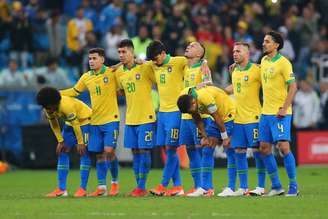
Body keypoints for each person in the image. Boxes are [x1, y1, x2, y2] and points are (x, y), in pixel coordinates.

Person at [61, 48, 120, 196]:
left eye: (94, 58)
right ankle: (102, 188)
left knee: (109, 152)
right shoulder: (86, 77)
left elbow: (124, 75)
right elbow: (75, 91)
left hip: (111, 119)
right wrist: (58, 93)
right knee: (99, 155)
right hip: (95, 121)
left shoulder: (112, 73)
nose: (91, 61)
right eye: (90, 59)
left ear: (102, 59)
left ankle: (114, 182)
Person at [177, 86, 236, 197]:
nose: (191, 112)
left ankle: (231, 187)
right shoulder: (191, 105)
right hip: (216, 119)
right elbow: (197, 119)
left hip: (228, 115)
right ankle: (205, 188)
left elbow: (217, 116)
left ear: (194, 103)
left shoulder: (204, 97)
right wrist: (205, 136)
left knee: (229, 148)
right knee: (206, 149)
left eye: (191, 110)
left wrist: (225, 137)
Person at [115, 39, 156, 197]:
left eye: (124, 52)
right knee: (135, 151)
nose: (121, 55)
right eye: (119, 52)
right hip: (130, 117)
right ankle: (138, 185)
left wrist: (144, 62)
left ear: (132, 52)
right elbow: (121, 91)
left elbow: (158, 73)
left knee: (144, 150)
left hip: (146, 116)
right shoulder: (119, 72)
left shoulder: (144, 67)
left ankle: (141, 186)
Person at [259, 31, 298, 196]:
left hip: (280, 113)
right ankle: (276, 186)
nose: (264, 44)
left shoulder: (284, 63)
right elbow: (259, 71)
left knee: (283, 147)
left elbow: (293, 87)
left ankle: (293, 186)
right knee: (264, 148)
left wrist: (284, 108)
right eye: (264, 41)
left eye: (267, 41)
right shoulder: (264, 60)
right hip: (265, 113)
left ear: (276, 45)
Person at [146, 40, 187, 196]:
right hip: (162, 113)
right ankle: (178, 186)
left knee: (171, 148)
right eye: (153, 60)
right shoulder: (154, 65)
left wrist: (203, 63)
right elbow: (142, 63)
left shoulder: (178, 62)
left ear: (163, 53)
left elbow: (195, 60)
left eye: (156, 58)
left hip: (176, 112)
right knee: (166, 148)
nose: (154, 62)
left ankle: (163, 185)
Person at [225, 42, 266, 196]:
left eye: (238, 51)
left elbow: (268, 86)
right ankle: (243, 187)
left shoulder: (257, 70)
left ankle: (261, 187)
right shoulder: (234, 71)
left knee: (257, 151)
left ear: (247, 54)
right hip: (238, 119)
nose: (235, 54)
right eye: (234, 51)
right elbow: (235, 88)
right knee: (239, 151)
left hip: (254, 117)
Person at [36, 87, 91, 198]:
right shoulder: (48, 107)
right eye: (44, 107)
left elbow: (76, 124)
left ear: (54, 103)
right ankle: (62, 190)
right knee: (62, 151)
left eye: (48, 107)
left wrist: (80, 142)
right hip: (71, 123)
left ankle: (82, 189)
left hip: (86, 121)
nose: (46, 110)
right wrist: (60, 141)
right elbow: (54, 124)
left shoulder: (66, 105)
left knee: (83, 152)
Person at [178, 41, 214, 196]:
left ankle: (208, 187)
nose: (188, 47)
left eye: (193, 46)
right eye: (188, 45)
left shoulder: (203, 66)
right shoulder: (185, 67)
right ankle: (197, 186)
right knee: (190, 150)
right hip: (185, 115)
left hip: (199, 114)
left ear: (200, 54)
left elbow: (208, 83)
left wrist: (192, 90)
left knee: (202, 149)